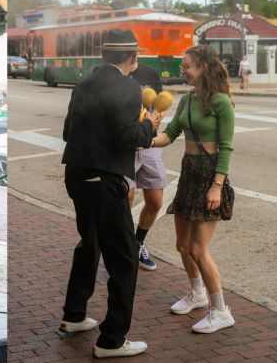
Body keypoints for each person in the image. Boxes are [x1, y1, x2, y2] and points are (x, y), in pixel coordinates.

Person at [60, 29, 159, 358]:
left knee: (89, 243)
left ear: (103, 54)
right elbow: (130, 138)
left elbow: (67, 132)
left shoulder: (83, 83)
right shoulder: (129, 87)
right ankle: (111, 340)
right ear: (134, 56)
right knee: (126, 258)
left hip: (75, 175)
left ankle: (74, 315)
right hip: (103, 180)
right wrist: (149, 125)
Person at [151, 45, 236, 334]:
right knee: (183, 246)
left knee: (199, 249)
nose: (182, 70)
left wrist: (216, 186)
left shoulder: (221, 102)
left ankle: (220, 311)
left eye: (186, 66)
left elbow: (226, 148)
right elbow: (171, 133)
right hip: (189, 174)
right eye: (182, 66)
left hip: (209, 177)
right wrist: (147, 140)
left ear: (203, 67)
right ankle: (197, 293)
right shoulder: (188, 99)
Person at [127, 64, 167, 271]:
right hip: (125, 145)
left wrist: (157, 117)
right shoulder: (115, 73)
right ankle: (124, 247)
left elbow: (159, 104)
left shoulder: (150, 72)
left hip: (150, 143)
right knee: (126, 199)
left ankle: (138, 243)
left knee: (156, 201)